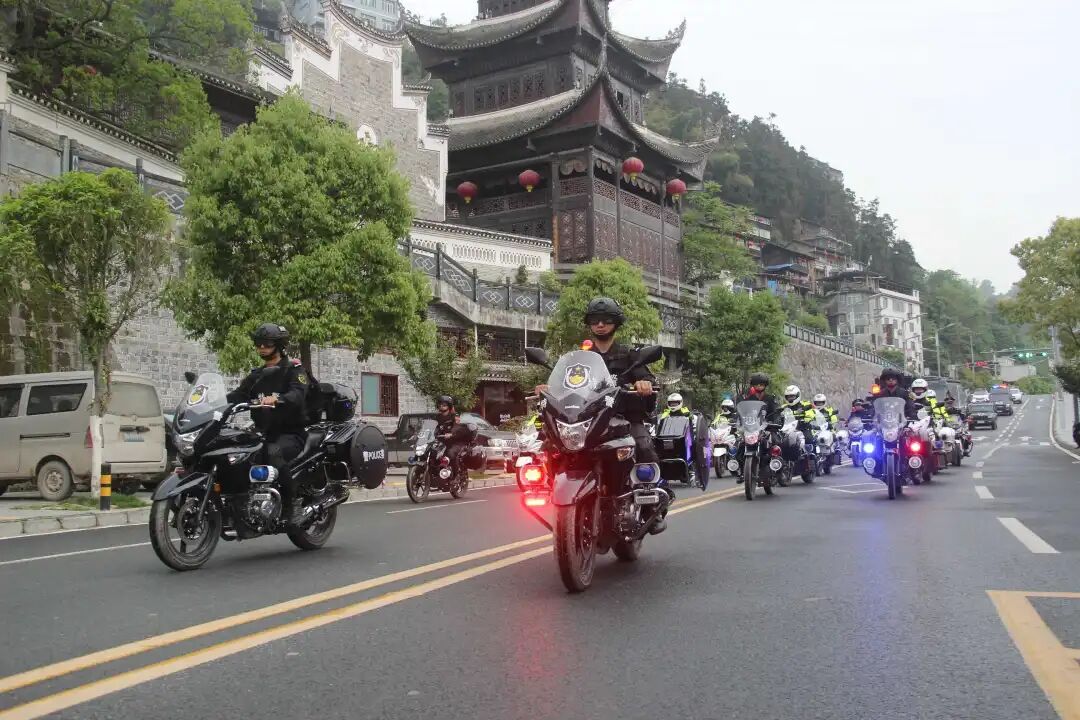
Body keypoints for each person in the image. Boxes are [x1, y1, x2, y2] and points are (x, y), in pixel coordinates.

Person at [581, 297, 666, 532]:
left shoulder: (630, 354)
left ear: (616, 323)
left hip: (625, 420)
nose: (600, 325)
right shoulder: (582, 356)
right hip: (590, 422)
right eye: (595, 320)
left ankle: (650, 508)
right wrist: (548, 387)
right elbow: (569, 380)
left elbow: (646, 377)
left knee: (644, 447)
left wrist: (644, 383)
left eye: (606, 320)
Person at [226, 323, 311, 527]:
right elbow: (237, 395)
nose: (262, 347)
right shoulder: (257, 376)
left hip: (291, 434)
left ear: (279, 345)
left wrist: (278, 399)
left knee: (273, 452)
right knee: (235, 455)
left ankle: (293, 506)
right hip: (262, 432)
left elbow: (298, 394)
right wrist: (214, 402)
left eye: (267, 344)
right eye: (259, 343)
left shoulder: (293, 370)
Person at [434, 395, 473, 476]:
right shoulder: (437, 417)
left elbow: (457, 427)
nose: (441, 406)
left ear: (449, 406)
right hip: (442, 441)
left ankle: (455, 475)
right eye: (440, 404)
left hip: (455, 441)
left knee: (450, 453)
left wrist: (452, 434)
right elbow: (433, 427)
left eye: (444, 405)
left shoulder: (455, 416)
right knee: (432, 453)